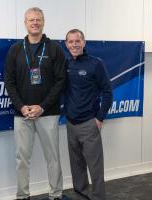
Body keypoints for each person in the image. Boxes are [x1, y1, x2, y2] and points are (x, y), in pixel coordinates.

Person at [4, 7, 67, 200]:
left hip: (48, 113)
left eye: (38, 19)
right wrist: (21, 107)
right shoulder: (15, 49)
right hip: (22, 114)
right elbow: (9, 81)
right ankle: (23, 195)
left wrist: (42, 107)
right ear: (25, 23)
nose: (34, 23)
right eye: (31, 20)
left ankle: (55, 194)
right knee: (21, 159)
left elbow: (61, 81)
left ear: (43, 22)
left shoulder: (54, 48)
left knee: (53, 158)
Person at [64, 29, 113, 200]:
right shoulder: (66, 64)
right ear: (66, 44)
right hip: (70, 124)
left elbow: (107, 91)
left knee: (95, 168)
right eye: (70, 41)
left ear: (84, 43)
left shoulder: (95, 63)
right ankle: (81, 197)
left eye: (77, 41)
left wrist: (99, 118)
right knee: (76, 167)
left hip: (89, 124)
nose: (74, 44)